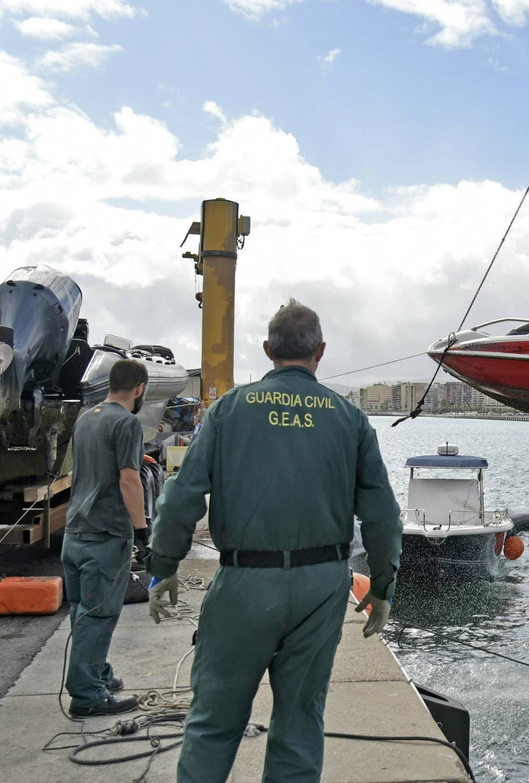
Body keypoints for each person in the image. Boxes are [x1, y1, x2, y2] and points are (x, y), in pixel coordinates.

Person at [147, 299, 402, 783]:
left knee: (213, 723)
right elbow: (382, 514)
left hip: (244, 584)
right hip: (321, 587)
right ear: (320, 351)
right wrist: (383, 587)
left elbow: (181, 497)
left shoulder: (228, 410)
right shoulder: (350, 419)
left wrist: (163, 566)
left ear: (268, 349)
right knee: (300, 722)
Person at [62, 357, 150, 717]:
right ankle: (87, 695)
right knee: (99, 615)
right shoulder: (127, 423)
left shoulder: (86, 418)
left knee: (82, 610)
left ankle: (97, 672)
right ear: (140, 389)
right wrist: (142, 532)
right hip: (105, 534)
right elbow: (129, 480)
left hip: (75, 532)